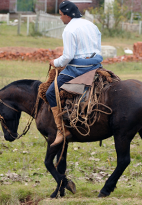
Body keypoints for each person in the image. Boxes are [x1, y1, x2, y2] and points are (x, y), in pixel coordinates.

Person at [46, 0, 103, 147]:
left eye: (61, 15)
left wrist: (55, 62)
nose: (60, 18)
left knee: (50, 93)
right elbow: (97, 47)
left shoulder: (69, 30)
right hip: (96, 65)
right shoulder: (92, 25)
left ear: (67, 15)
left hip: (78, 68)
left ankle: (61, 130)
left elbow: (68, 57)